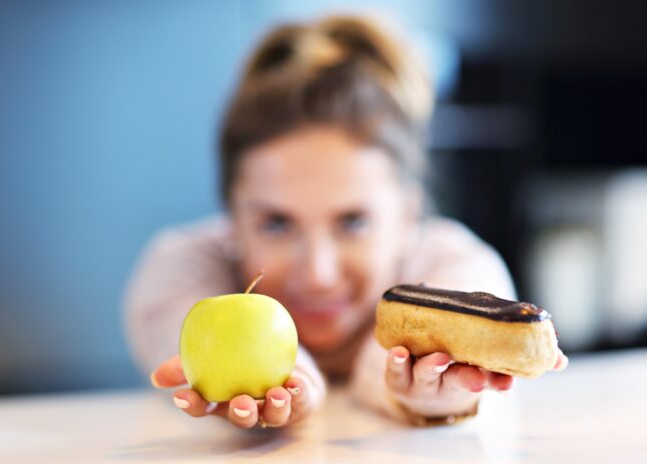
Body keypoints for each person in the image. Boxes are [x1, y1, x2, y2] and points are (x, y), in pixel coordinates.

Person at [124, 14, 567, 429]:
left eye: (353, 222)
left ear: (409, 217)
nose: (318, 273)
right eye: (276, 223)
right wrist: (279, 372)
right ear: (232, 220)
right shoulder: (184, 262)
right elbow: (168, 323)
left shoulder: (450, 262)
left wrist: (424, 394)